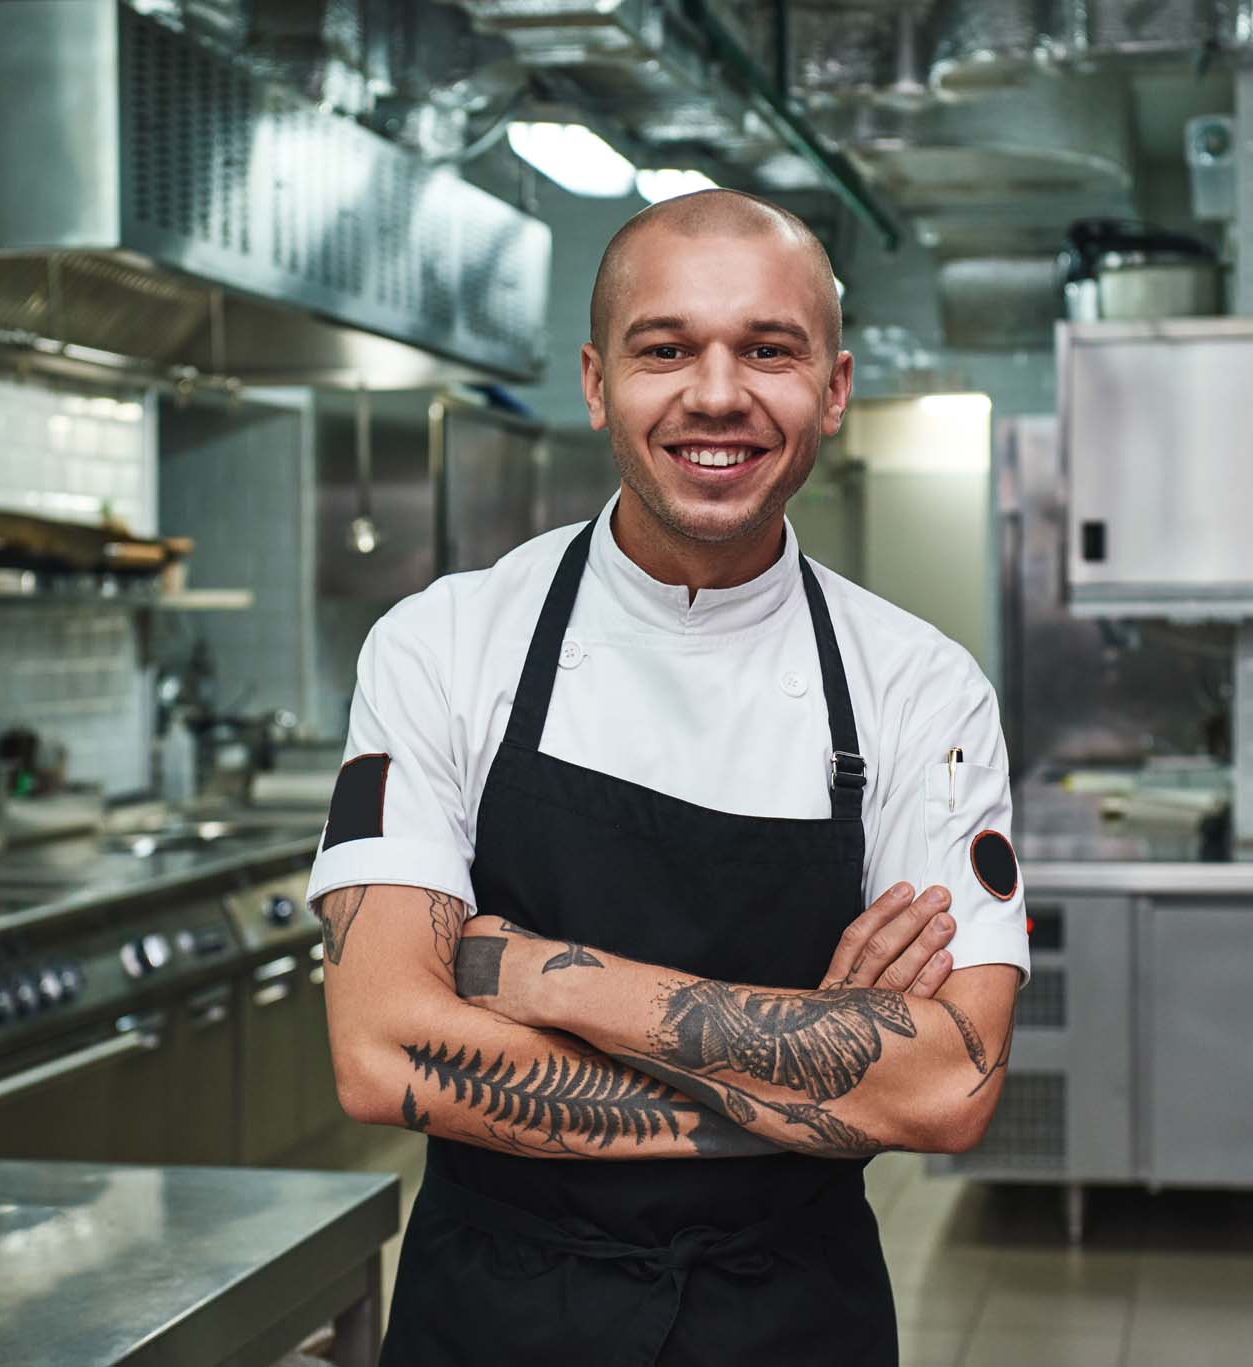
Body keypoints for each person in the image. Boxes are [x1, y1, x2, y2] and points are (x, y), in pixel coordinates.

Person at [308, 189, 1029, 1366]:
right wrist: (813, 1087)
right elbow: (382, 1050)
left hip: (791, 1318)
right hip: (495, 1314)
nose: (714, 393)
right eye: (664, 349)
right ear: (596, 382)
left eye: (767, 350)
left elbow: (948, 1083)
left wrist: (540, 973)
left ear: (833, 387)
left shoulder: (920, 689)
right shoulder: (442, 645)